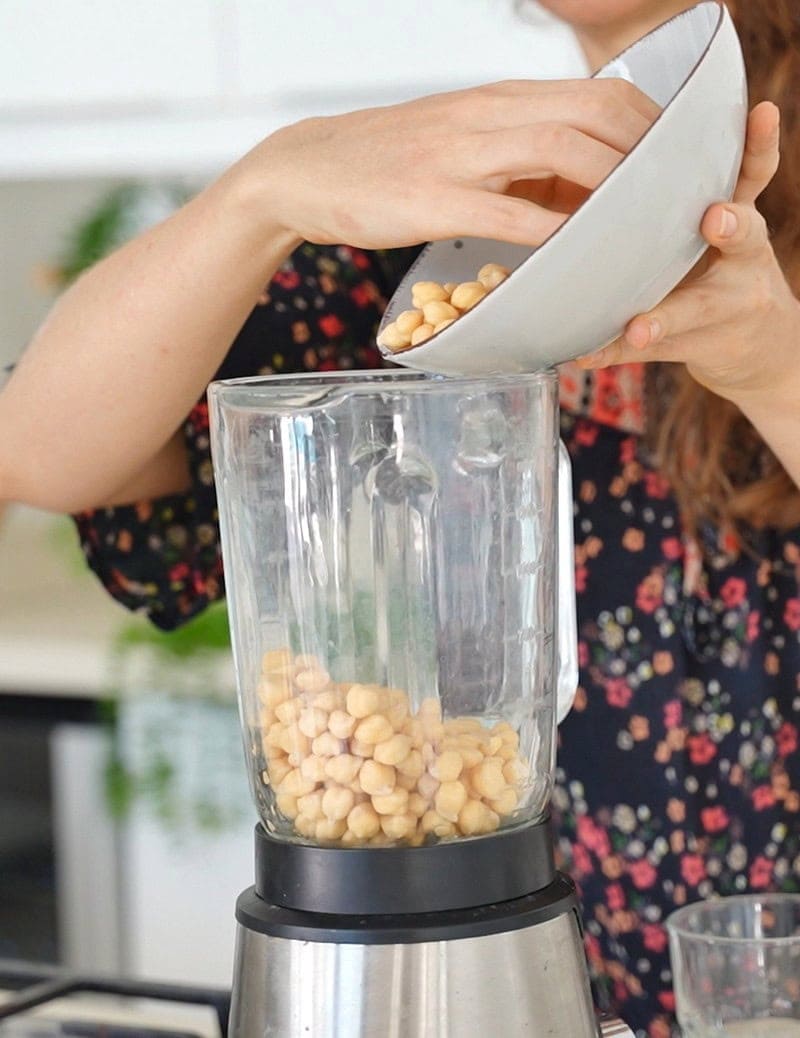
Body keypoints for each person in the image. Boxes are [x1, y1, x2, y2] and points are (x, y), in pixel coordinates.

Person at [1, 1, 798, 1033]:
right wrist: (263, 191)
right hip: (541, 987)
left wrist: (772, 363)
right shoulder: (443, 224)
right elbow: (42, 451)